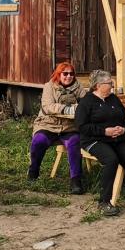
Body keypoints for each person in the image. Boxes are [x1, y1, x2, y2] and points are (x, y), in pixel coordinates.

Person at [74, 70, 125, 216]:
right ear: (98, 85)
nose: (112, 85)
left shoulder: (113, 99)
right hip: (94, 140)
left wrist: (123, 129)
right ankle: (104, 202)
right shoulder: (86, 102)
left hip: (116, 139)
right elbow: (82, 126)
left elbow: (124, 118)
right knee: (111, 160)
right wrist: (104, 131)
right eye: (109, 83)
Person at [29, 61, 88, 194]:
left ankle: (76, 181)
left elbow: (86, 105)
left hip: (69, 127)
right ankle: (33, 172)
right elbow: (48, 106)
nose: (68, 76)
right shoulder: (49, 87)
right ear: (58, 74)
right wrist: (69, 109)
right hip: (48, 124)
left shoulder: (78, 88)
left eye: (71, 74)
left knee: (74, 143)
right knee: (38, 141)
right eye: (65, 73)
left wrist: (80, 109)